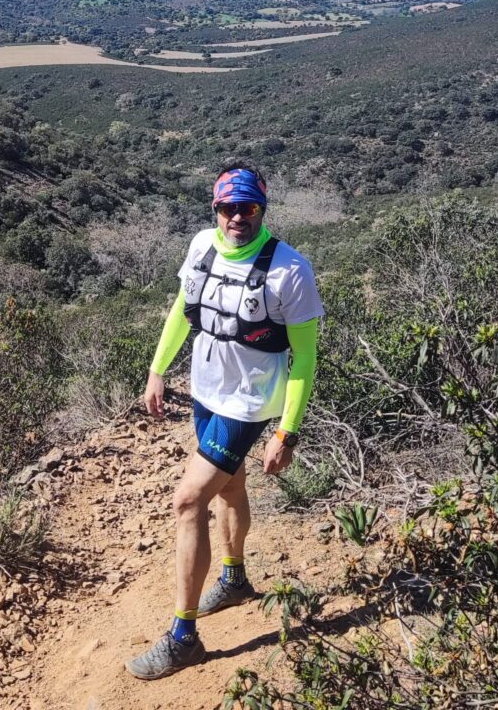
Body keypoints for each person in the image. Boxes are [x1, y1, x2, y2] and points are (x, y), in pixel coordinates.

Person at [125, 161, 324, 680]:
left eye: (249, 207)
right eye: (228, 207)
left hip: (251, 402)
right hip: (207, 391)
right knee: (231, 489)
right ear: (215, 209)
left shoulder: (289, 271)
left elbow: (305, 358)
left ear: (263, 208)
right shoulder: (201, 246)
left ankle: (183, 636)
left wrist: (288, 429)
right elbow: (181, 309)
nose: (238, 217)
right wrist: (157, 369)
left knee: (189, 499)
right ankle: (234, 580)